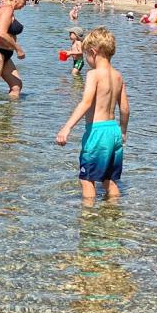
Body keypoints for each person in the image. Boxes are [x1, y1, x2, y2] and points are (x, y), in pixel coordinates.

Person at [56, 27, 129, 200]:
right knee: (108, 179)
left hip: (97, 132)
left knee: (87, 179)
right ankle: (114, 212)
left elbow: (86, 102)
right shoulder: (118, 76)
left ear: (93, 52)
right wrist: (123, 131)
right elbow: (125, 108)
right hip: (114, 131)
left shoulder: (93, 74)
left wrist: (67, 128)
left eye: (87, 56)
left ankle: (88, 217)